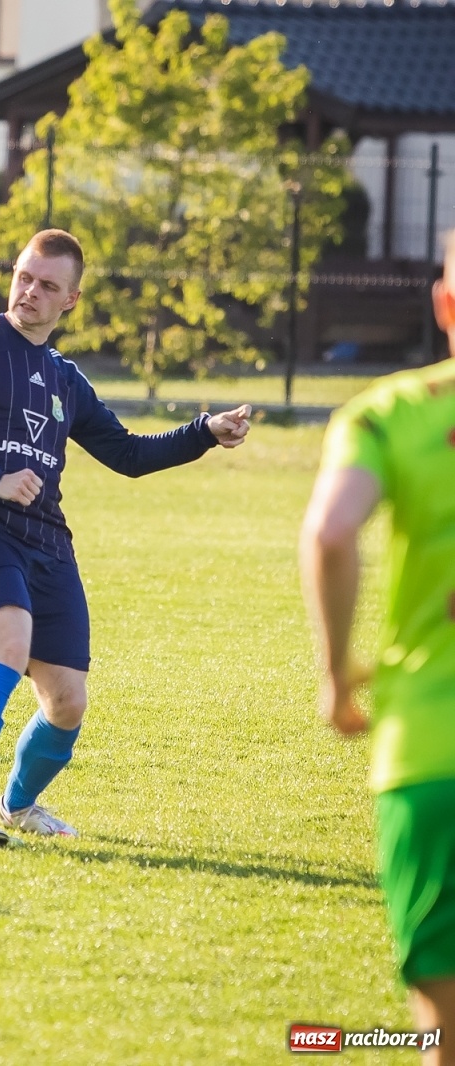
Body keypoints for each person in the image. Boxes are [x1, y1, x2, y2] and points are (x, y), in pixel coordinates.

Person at [0, 229, 251, 845]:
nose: (30, 292)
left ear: (70, 300)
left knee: (68, 702)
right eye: (24, 277)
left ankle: (18, 804)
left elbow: (128, 453)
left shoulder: (64, 378)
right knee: (8, 647)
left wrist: (204, 431)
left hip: (49, 544)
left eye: (47, 286)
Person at [299, 233, 455, 1060]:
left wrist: (335, 675)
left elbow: (331, 534)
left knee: (442, 1025)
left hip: (428, 754)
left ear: (443, 304)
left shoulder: (390, 411)